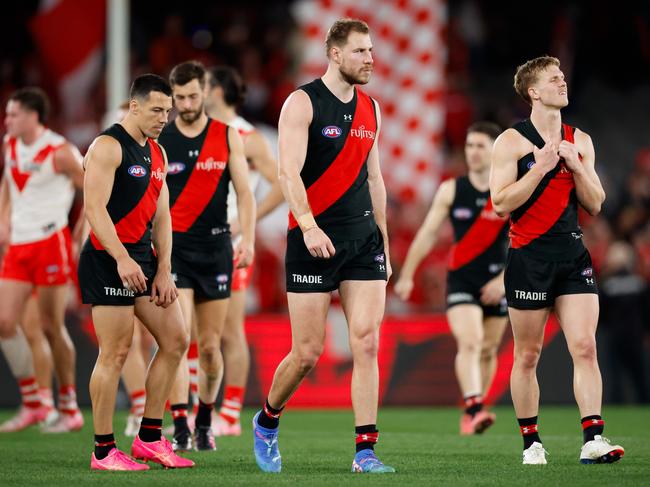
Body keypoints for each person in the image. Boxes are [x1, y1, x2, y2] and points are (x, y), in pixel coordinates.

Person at [252, 18, 395, 474]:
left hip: (364, 242)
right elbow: (287, 173)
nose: (370, 59)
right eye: (360, 52)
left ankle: (365, 452)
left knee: (367, 343)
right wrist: (309, 226)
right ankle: (267, 420)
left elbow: (375, 179)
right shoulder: (302, 102)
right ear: (335, 54)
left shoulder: (372, 108)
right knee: (307, 353)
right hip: (312, 242)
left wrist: (385, 244)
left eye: (371, 51)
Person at [490, 55, 624, 465]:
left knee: (585, 347)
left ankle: (592, 439)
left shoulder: (579, 139)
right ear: (533, 92)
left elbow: (597, 203)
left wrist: (576, 167)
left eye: (563, 75)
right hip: (529, 257)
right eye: (553, 78)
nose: (563, 82)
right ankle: (532, 443)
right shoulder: (511, 142)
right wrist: (541, 168)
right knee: (527, 355)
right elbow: (499, 203)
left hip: (572, 254)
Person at [79, 74, 193, 471]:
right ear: (134, 106)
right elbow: (94, 210)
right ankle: (103, 450)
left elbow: (163, 217)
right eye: (158, 110)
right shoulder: (108, 146)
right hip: (106, 258)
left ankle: (148, 437)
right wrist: (122, 259)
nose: (165, 117)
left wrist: (164, 269)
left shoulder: (158, 153)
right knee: (115, 352)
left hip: (143, 260)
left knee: (177, 339)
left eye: (169, 111)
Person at [158, 61, 255, 452]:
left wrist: (246, 238)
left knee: (212, 347)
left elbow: (246, 193)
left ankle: (204, 420)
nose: (185, 103)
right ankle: (179, 423)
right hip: (176, 250)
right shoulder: (162, 140)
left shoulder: (227, 136)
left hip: (217, 251)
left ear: (205, 93)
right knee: (180, 340)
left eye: (192, 96)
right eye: (179, 97)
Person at [394, 122, 509, 435]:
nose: (473, 152)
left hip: (499, 282)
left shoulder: (509, 190)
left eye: (480, 146)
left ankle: (474, 408)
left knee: (487, 350)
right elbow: (427, 233)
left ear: (496, 150)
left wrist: (504, 279)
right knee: (470, 342)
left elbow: (528, 239)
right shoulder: (451, 189)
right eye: (469, 146)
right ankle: (474, 408)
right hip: (461, 279)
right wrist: (407, 275)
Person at [204, 65, 284, 437]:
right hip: (194, 244)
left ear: (217, 92)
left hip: (231, 246)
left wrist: (244, 224)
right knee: (190, 334)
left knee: (229, 332)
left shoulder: (248, 137)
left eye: (202, 87)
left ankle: (231, 413)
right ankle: (190, 412)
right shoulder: (196, 133)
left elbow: (281, 185)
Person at [0, 87, 84, 433]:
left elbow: (94, 189)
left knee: (51, 327)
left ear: (34, 116)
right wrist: (3, 219)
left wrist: (80, 235)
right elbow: (8, 184)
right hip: (18, 246)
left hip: (51, 242)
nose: (7, 120)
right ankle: (34, 402)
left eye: (13, 114)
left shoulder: (61, 151)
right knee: (6, 323)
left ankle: (68, 405)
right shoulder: (10, 144)